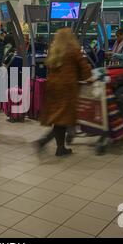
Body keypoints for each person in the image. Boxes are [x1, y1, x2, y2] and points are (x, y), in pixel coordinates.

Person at [37, 28, 92, 156]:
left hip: (52, 87)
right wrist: (89, 77)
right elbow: (84, 67)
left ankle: (60, 147)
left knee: (59, 118)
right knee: (64, 119)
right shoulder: (73, 50)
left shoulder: (54, 51)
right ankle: (44, 141)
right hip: (67, 88)